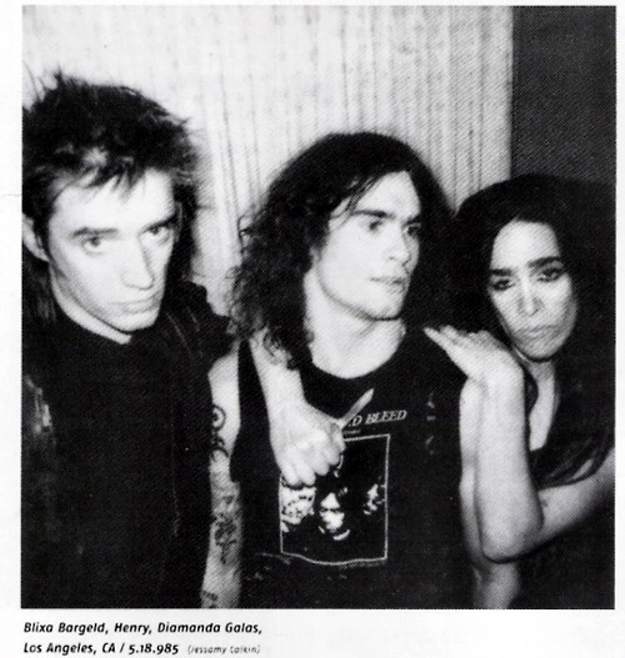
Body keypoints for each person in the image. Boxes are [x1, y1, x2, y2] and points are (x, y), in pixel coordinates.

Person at [201, 132, 473, 608]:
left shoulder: (455, 372)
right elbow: (221, 570)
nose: (403, 251)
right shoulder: (232, 385)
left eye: (411, 229)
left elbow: (491, 571)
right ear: (307, 234)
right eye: (374, 224)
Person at [21, 72, 230, 607]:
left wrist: (285, 394)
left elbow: (254, 332)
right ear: (34, 237)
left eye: (156, 231)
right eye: (97, 241)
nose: (141, 276)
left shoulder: (181, 325)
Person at [424, 174, 615, 608]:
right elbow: (491, 577)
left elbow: (506, 538)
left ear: (583, 274)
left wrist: (506, 384)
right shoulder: (467, 383)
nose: (528, 307)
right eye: (503, 283)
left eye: (548, 274)